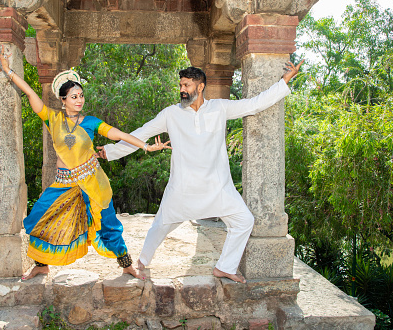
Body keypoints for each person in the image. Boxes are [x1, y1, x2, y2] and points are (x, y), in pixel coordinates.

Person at [97, 61, 303, 283]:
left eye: (186, 85)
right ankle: (142, 261)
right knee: (161, 225)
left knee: (244, 221)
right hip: (183, 187)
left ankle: (225, 267)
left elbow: (254, 104)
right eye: (180, 85)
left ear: (201, 86)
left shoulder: (220, 108)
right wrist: (110, 152)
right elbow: (141, 133)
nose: (182, 90)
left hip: (217, 187)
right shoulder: (171, 114)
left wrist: (284, 81)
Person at [0, 46, 170, 280]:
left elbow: (119, 134)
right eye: (74, 97)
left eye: (81, 96)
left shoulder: (91, 122)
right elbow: (31, 95)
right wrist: (8, 71)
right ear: (62, 100)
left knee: (109, 224)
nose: (79, 100)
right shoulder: (52, 118)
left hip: (92, 181)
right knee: (38, 217)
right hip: (63, 183)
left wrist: (145, 146)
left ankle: (126, 264)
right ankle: (41, 264)